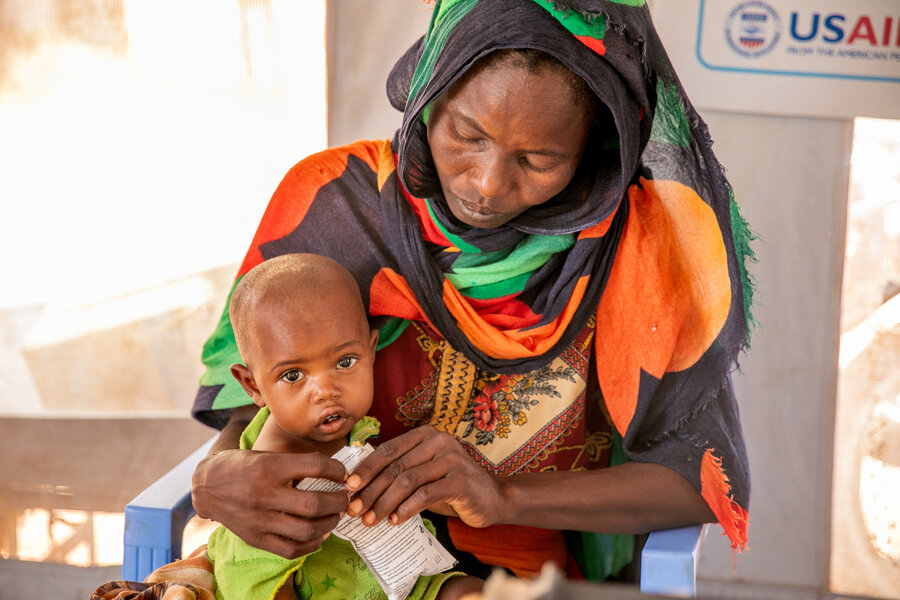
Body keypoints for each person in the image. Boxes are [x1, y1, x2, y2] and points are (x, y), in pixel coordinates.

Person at [191, 0, 754, 582]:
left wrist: (506, 497)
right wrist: (215, 476)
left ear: (593, 152)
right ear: (430, 96)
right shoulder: (334, 205)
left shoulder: (637, 246)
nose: (487, 184)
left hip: (526, 578)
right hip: (335, 567)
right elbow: (250, 416)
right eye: (466, 134)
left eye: (539, 160)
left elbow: (693, 478)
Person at [207, 252, 481, 600]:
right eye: (293, 375)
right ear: (253, 387)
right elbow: (253, 585)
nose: (325, 390)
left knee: (471, 592)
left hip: (405, 585)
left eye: (345, 361)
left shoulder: (356, 435)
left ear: (371, 352)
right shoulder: (261, 483)